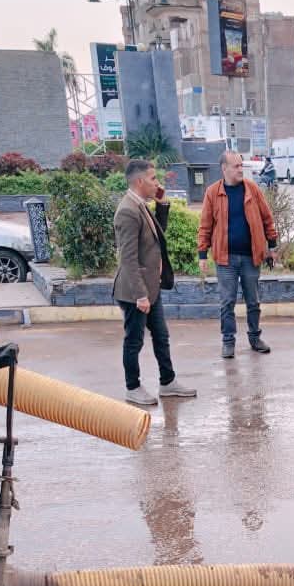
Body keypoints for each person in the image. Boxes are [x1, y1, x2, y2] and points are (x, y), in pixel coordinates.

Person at [113, 159, 198, 407]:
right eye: (153, 179)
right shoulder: (128, 211)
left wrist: (162, 203)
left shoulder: (140, 204)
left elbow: (157, 236)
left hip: (151, 287)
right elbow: (128, 259)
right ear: (140, 181)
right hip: (134, 291)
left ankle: (168, 382)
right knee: (134, 341)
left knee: (161, 336)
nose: (157, 183)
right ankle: (132, 387)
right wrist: (140, 295)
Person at [198, 150, 278, 358]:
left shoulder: (252, 189)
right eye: (236, 166)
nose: (241, 169)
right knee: (227, 302)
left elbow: (267, 218)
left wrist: (272, 246)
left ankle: (255, 338)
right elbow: (205, 225)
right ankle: (228, 342)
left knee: (253, 301)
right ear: (224, 168)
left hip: (251, 257)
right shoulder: (212, 193)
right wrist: (202, 255)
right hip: (225, 259)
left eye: (241, 165)